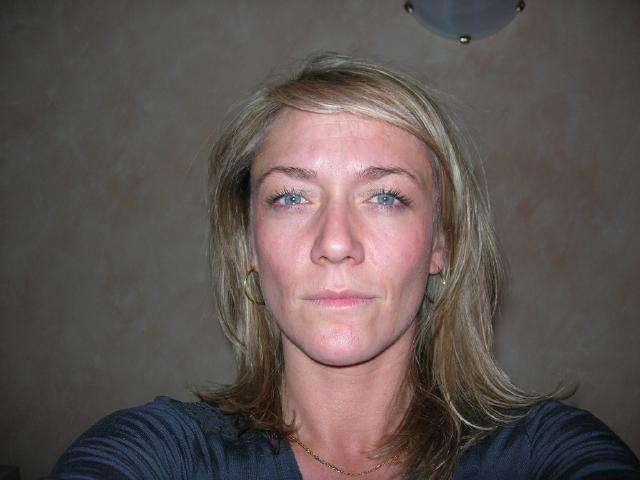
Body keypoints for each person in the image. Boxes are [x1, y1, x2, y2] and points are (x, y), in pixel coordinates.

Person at [51, 54, 639, 479]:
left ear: (442, 244)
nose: (335, 243)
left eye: (385, 197)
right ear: (248, 246)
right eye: (291, 197)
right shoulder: (165, 454)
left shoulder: (543, 454)